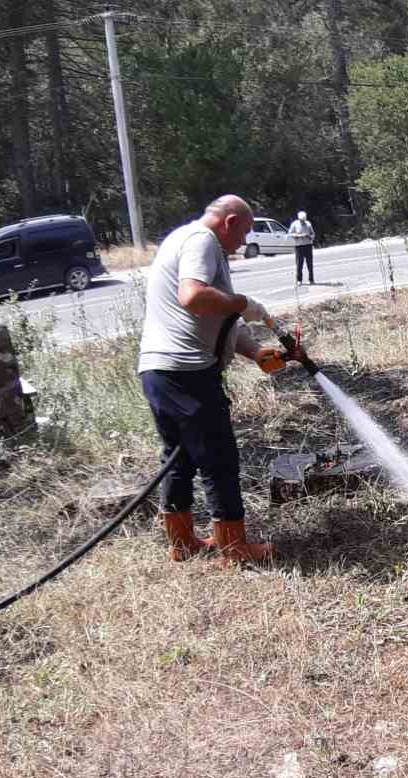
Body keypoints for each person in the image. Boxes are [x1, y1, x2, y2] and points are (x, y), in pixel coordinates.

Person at [138, 194, 303, 565]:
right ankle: (235, 547)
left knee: (178, 460)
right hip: (187, 373)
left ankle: (182, 544)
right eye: (244, 232)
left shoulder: (182, 238)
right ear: (228, 222)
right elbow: (194, 297)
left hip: (158, 371)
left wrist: (257, 352)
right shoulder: (203, 241)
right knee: (220, 459)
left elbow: (216, 318)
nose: (244, 242)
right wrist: (243, 302)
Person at [290, 210, 315, 285]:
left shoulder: (308, 224)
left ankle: (311, 279)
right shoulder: (294, 224)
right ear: (299, 219)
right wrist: (298, 235)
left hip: (308, 245)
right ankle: (299, 280)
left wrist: (309, 236)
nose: (303, 221)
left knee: (310, 264)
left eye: (304, 220)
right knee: (299, 264)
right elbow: (290, 234)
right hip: (299, 246)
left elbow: (313, 234)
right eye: (301, 220)